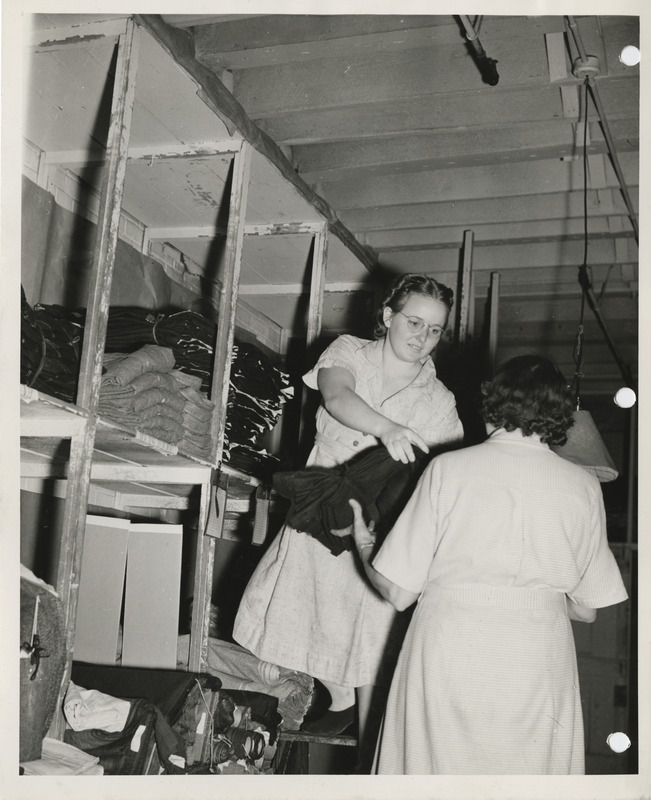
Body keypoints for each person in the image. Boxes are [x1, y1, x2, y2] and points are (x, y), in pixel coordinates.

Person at [348, 354, 629, 774]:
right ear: (559, 418)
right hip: (538, 657)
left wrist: (364, 547)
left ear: (492, 405)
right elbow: (587, 610)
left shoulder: (448, 469)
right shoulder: (585, 487)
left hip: (450, 648)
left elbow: (398, 592)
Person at [233, 273, 464, 749]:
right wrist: (388, 429)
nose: (422, 337)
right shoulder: (348, 352)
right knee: (305, 608)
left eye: (434, 329)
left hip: (380, 519)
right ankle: (340, 699)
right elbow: (337, 396)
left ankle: (368, 733)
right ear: (388, 316)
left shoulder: (440, 401)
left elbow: (447, 473)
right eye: (414, 322)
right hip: (321, 502)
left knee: (369, 625)